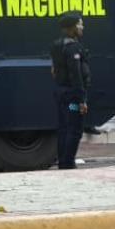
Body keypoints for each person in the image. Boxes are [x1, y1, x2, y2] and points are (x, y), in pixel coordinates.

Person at [49, 11, 90, 169]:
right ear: (72, 27)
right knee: (74, 129)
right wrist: (81, 101)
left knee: (64, 128)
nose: (82, 27)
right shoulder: (72, 47)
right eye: (80, 24)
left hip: (61, 92)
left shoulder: (56, 45)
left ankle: (63, 161)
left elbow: (53, 70)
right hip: (72, 96)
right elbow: (76, 75)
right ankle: (67, 163)